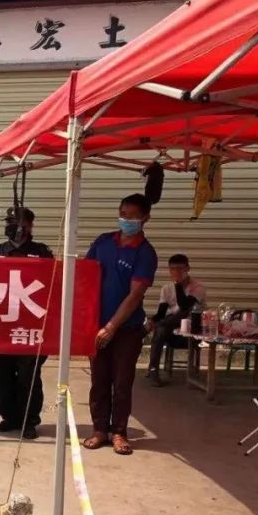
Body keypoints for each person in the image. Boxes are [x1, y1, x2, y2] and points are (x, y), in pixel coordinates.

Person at [83, 193, 159, 455]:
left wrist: (112, 326)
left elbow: (135, 294)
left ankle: (119, 432)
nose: (127, 220)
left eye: (133, 216)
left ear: (145, 218)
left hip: (127, 329)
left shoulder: (145, 253)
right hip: (97, 323)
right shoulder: (104, 242)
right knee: (99, 380)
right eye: (123, 214)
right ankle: (99, 429)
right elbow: (85, 275)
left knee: (122, 382)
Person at [0, 207, 54, 439]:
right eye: (10, 222)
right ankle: (9, 417)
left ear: (30, 225)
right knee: (1, 374)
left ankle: (29, 420)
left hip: (30, 325)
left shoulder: (42, 252)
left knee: (29, 376)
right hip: (1, 323)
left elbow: (52, 286)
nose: (13, 226)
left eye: (19, 222)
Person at [146, 253, 206, 385]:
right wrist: (151, 321)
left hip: (191, 333)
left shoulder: (198, 287)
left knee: (177, 317)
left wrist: (178, 284)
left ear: (187, 269)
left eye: (180, 269)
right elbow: (161, 313)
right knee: (160, 327)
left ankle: (152, 368)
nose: (176, 272)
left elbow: (185, 307)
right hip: (170, 331)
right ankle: (153, 369)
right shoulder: (166, 288)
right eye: (172, 269)